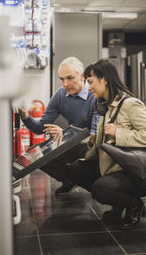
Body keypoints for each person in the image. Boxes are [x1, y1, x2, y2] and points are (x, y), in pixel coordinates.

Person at [66, 59, 146, 229]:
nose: (89, 88)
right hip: (113, 170)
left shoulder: (130, 104)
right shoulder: (107, 107)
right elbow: (105, 145)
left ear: (104, 79)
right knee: (75, 169)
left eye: (91, 82)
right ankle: (119, 203)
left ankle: (133, 205)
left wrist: (118, 132)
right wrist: (91, 144)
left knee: (101, 189)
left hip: (134, 173)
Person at [19, 57, 99, 195]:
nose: (65, 84)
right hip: (75, 143)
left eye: (69, 78)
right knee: (36, 154)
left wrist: (66, 134)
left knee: (78, 164)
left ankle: (87, 181)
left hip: (93, 146)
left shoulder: (94, 95)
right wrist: (25, 116)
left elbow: (94, 136)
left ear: (82, 76)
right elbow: (40, 128)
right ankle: (69, 180)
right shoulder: (60, 95)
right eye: (61, 79)